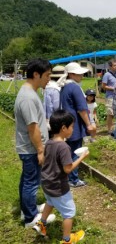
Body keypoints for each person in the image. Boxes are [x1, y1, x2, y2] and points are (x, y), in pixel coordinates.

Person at [33, 110, 87, 244]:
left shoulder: (50, 143)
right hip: (59, 186)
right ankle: (67, 239)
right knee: (69, 212)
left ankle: (42, 224)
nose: (73, 129)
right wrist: (82, 157)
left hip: (46, 183)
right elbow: (67, 169)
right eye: (72, 126)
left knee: (50, 202)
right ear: (64, 128)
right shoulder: (64, 147)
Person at [14, 58, 56, 227]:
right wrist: (40, 150)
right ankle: (31, 218)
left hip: (30, 148)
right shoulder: (28, 98)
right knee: (31, 183)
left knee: (27, 180)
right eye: (47, 75)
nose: (49, 79)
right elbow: (33, 128)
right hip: (31, 148)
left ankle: (27, 209)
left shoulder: (29, 93)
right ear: (36, 74)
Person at [59, 62, 94, 187]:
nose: (81, 76)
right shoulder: (74, 88)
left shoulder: (64, 87)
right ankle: (73, 179)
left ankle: (66, 175)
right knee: (75, 151)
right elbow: (82, 109)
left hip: (65, 124)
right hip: (74, 125)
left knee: (67, 151)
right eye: (79, 74)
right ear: (71, 74)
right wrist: (89, 125)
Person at [43, 65, 65, 137]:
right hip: (54, 120)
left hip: (45, 119)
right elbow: (56, 106)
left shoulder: (46, 87)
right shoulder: (56, 89)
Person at [101, 59, 116, 135]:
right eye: (114, 65)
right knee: (110, 113)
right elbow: (103, 86)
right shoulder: (107, 75)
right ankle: (109, 130)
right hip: (110, 96)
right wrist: (113, 88)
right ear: (110, 66)